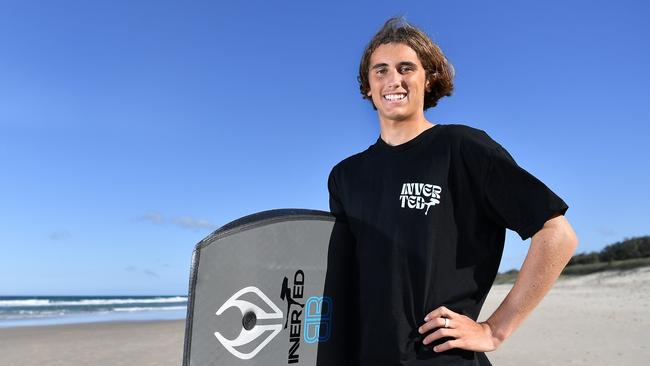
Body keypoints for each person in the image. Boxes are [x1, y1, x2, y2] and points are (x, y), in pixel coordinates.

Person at [327, 17, 578, 366]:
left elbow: (557, 235)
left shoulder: (462, 149)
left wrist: (494, 329)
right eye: (380, 70)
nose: (392, 80)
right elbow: (342, 278)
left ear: (428, 78)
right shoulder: (345, 176)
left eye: (406, 68)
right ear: (367, 86)